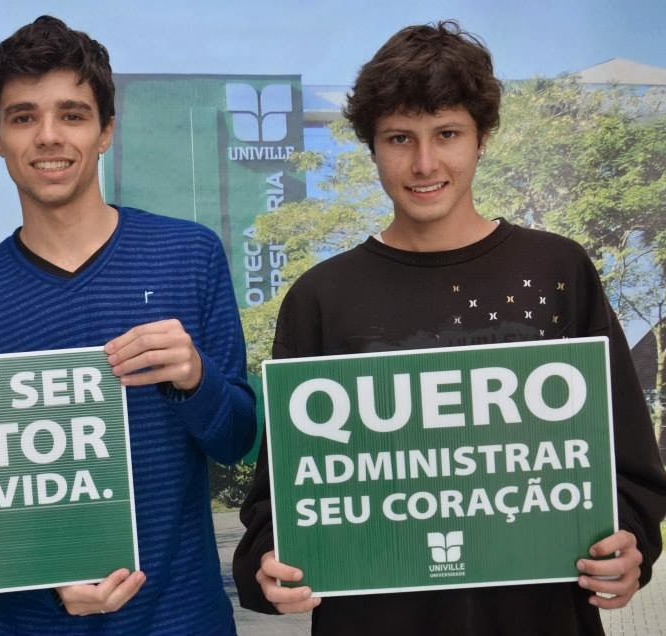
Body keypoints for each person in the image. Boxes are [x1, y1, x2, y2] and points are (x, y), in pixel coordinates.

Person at [232, 20, 666, 635]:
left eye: (447, 134)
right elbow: (278, 504)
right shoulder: (321, 296)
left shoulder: (558, 269)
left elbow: (630, 468)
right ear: (372, 146)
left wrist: (630, 545)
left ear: (482, 137)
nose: (424, 163)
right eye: (399, 138)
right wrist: (271, 565)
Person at [0, 15, 256, 636]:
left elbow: (238, 441)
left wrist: (196, 378)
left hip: (184, 620)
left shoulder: (190, 255)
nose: (48, 136)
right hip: (35, 625)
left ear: (106, 129)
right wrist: (44, 574)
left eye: (72, 115)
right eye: (23, 117)